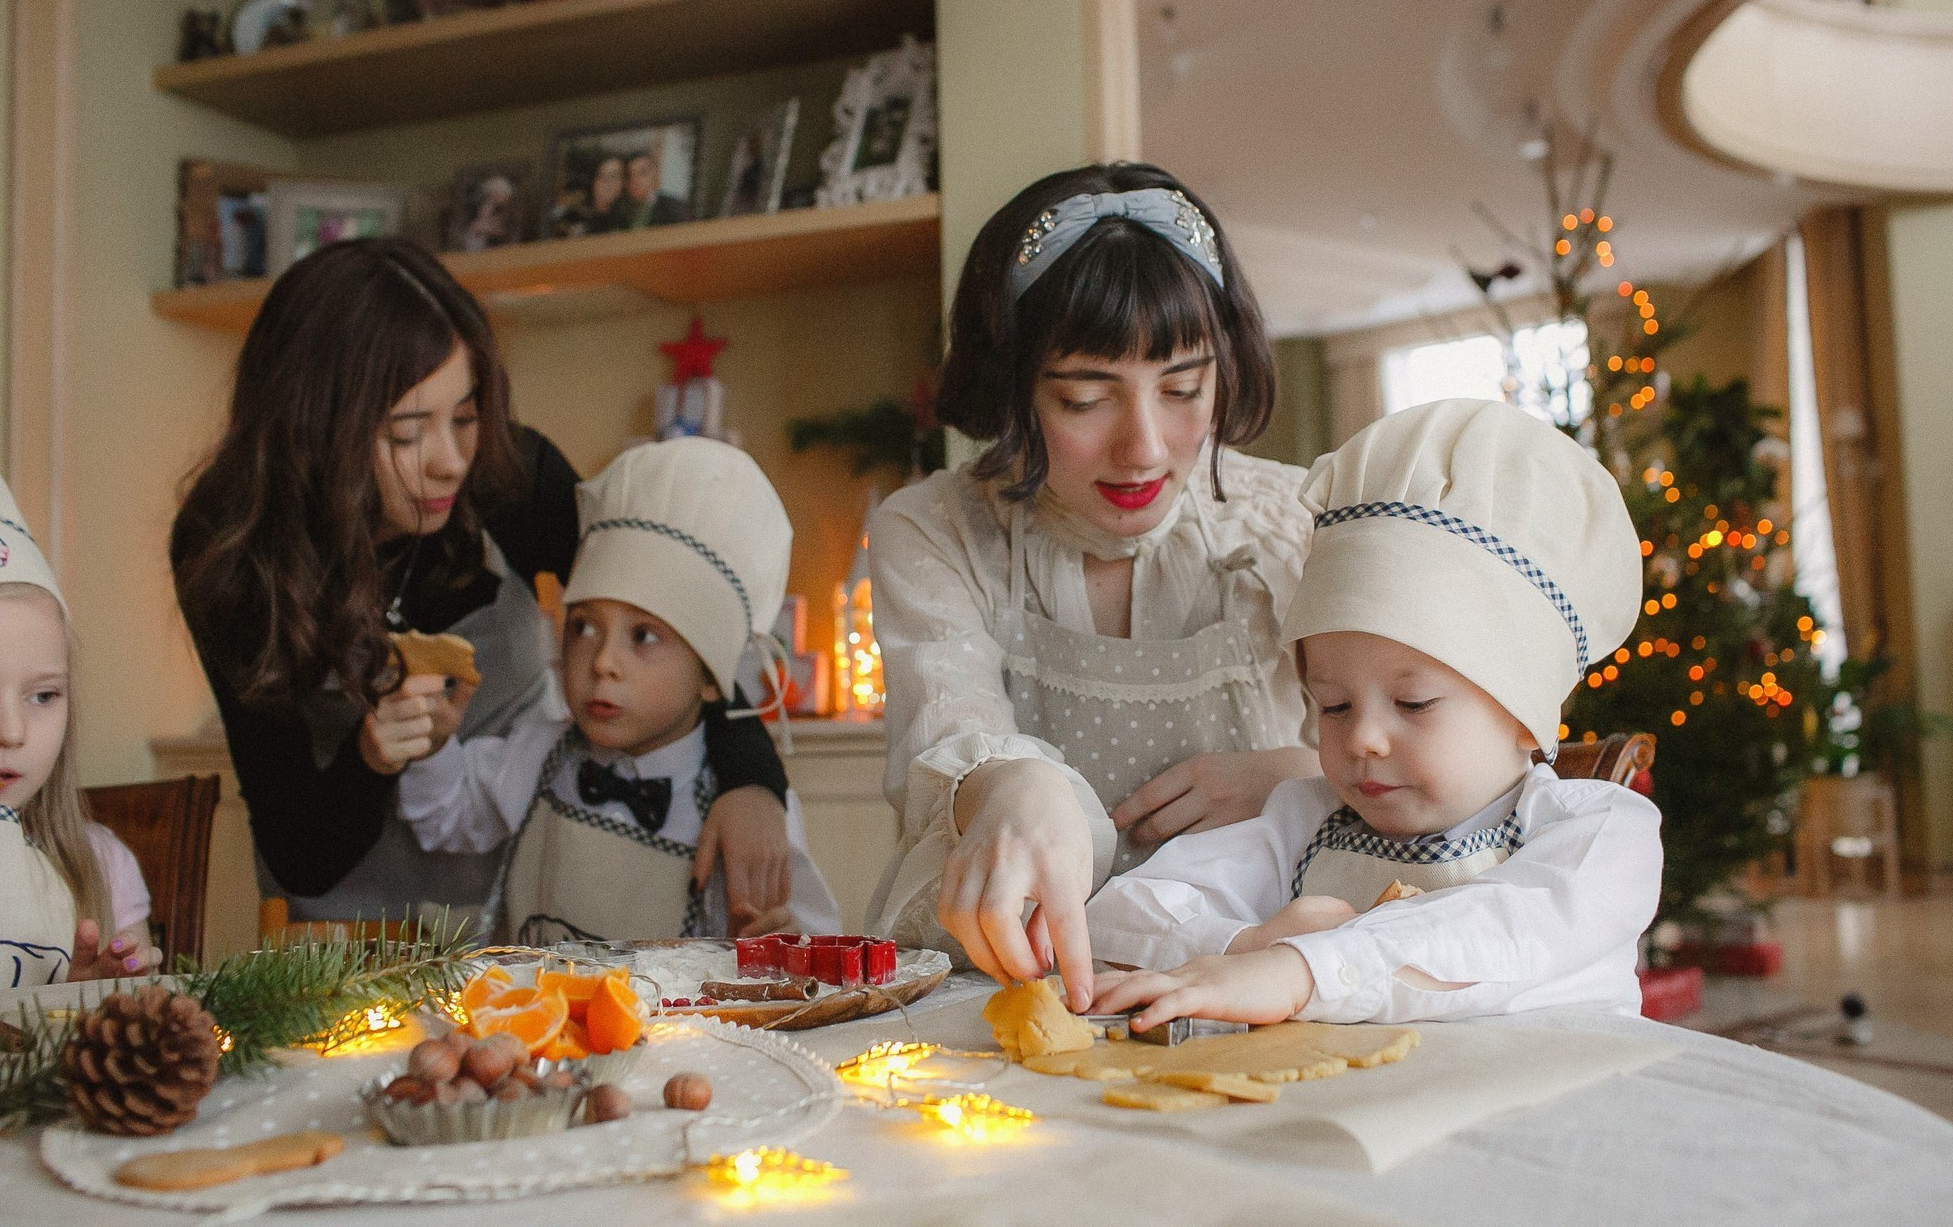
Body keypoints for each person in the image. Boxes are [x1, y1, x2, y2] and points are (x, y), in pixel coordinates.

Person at [171, 239, 796, 928]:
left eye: (465, 417)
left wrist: (752, 778)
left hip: (528, 914)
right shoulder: (230, 548)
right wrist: (372, 756)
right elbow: (300, 850)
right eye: (408, 434)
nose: (450, 462)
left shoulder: (510, 479)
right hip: (343, 936)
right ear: (316, 431)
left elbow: (677, 617)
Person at [865, 163, 1319, 1009]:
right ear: (1012, 389)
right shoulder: (933, 529)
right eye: (1084, 398)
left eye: (1184, 388)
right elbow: (950, 722)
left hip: (1246, 981)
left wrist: (1299, 778)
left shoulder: (1298, 522)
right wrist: (1007, 784)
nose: (1144, 447)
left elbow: (1434, 753)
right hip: (1004, 984)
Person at [1085, 399, 1663, 1029]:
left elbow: (1509, 930)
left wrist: (1306, 970)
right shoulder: (1303, 824)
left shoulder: (1598, 832)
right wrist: (1246, 947)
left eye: (1413, 703)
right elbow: (1115, 918)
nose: (1361, 737)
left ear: (1526, 715)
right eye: (1332, 704)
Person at [397, 438, 838, 942]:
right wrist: (432, 746)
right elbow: (445, 815)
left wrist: (774, 944)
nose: (603, 661)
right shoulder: (538, 753)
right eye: (583, 626)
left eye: (644, 637)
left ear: (712, 679)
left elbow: (815, 947)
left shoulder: (741, 810)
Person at [0, 472, 154, 987]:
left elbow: (139, 1040)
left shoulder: (100, 866)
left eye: (43, 696)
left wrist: (89, 1000)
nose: (11, 731)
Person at [619, 150, 691, 229]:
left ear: (655, 174)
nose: (635, 180)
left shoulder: (673, 209)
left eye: (643, 173)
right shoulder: (619, 211)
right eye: (630, 175)